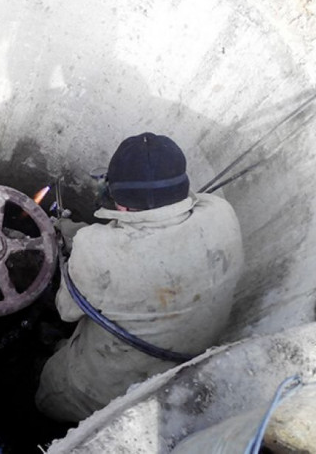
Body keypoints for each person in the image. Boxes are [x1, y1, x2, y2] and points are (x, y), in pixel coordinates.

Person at [35, 132, 244, 422]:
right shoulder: (220, 211)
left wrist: (80, 250)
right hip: (182, 383)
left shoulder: (95, 247)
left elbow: (66, 311)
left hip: (103, 390)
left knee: (49, 395)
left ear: (120, 202)